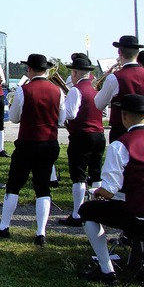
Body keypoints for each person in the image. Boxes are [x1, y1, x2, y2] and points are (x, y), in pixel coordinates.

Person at [0, 54, 65, 246]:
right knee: (43, 187)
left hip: (28, 142)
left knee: (14, 185)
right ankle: (40, 233)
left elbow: (14, 118)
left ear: (29, 69)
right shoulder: (58, 91)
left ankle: (4, 226)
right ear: (45, 70)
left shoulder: (23, 90)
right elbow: (62, 120)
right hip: (49, 143)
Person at [77, 94, 144, 285]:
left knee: (87, 211)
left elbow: (110, 190)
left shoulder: (121, 145)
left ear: (124, 116)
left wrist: (97, 192)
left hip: (137, 215)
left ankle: (106, 270)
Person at [58, 57, 105, 227]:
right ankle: (97, 210)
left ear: (75, 73)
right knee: (96, 171)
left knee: (78, 175)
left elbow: (70, 114)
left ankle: (77, 214)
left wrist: (61, 106)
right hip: (99, 134)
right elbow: (103, 110)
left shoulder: (75, 90)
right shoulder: (97, 89)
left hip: (81, 135)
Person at [95, 35, 144, 142]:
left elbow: (99, 104)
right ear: (137, 53)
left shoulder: (114, 78)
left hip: (122, 131)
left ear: (119, 52)